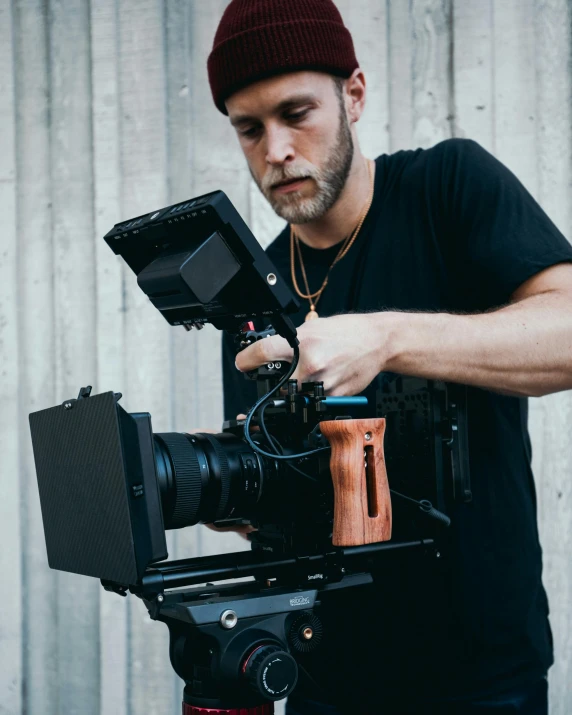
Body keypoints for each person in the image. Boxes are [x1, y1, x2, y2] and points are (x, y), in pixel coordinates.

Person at [205, 1, 572, 712]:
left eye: (297, 112)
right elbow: (290, 499)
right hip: (322, 681)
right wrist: (238, 492)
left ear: (355, 94)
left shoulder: (447, 188)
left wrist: (387, 338)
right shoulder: (254, 289)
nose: (275, 148)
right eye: (249, 129)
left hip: (481, 682)